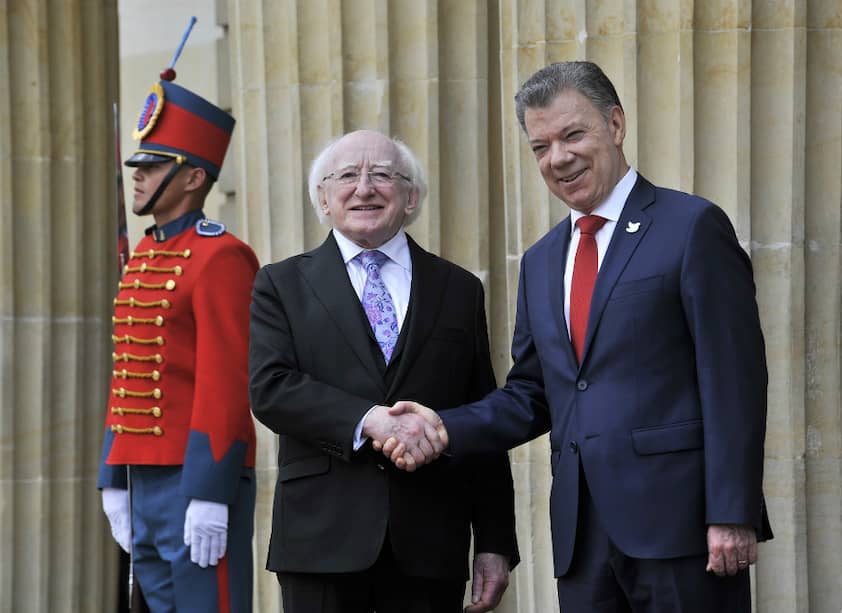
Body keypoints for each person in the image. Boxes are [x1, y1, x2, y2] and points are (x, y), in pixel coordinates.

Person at [380, 61, 773, 612]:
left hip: (682, 529)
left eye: (572, 135)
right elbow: (532, 394)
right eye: (540, 146)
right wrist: (444, 426)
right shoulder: (541, 261)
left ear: (616, 125)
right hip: (582, 540)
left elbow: (734, 380)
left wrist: (732, 512)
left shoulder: (691, 228)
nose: (558, 158)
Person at [247, 129, 520, 613]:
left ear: (411, 196)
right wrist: (369, 419)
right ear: (323, 198)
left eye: (383, 175)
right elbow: (271, 388)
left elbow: (483, 415)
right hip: (320, 541)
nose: (365, 188)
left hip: (431, 541)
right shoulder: (280, 284)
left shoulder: (457, 288)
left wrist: (496, 540)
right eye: (347, 176)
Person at [98, 69, 259, 612]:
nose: (138, 178)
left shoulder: (222, 256)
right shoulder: (143, 256)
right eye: (138, 167)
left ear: (192, 178)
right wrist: (111, 474)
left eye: (153, 167)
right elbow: (126, 369)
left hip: (194, 478)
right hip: (141, 474)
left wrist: (210, 490)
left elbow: (227, 381)